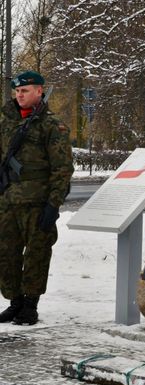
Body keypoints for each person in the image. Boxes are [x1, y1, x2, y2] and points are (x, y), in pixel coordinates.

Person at [0, 70, 74, 325]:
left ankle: (30, 304)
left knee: (36, 254)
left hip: (38, 202)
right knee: (6, 252)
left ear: (39, 91)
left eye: (25, 91)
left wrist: (53, 204)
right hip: (7, 200)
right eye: (17, 91)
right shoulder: (5, 121)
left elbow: (62, 169)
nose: (20, 95)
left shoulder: (52, 125)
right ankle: (14, 301)